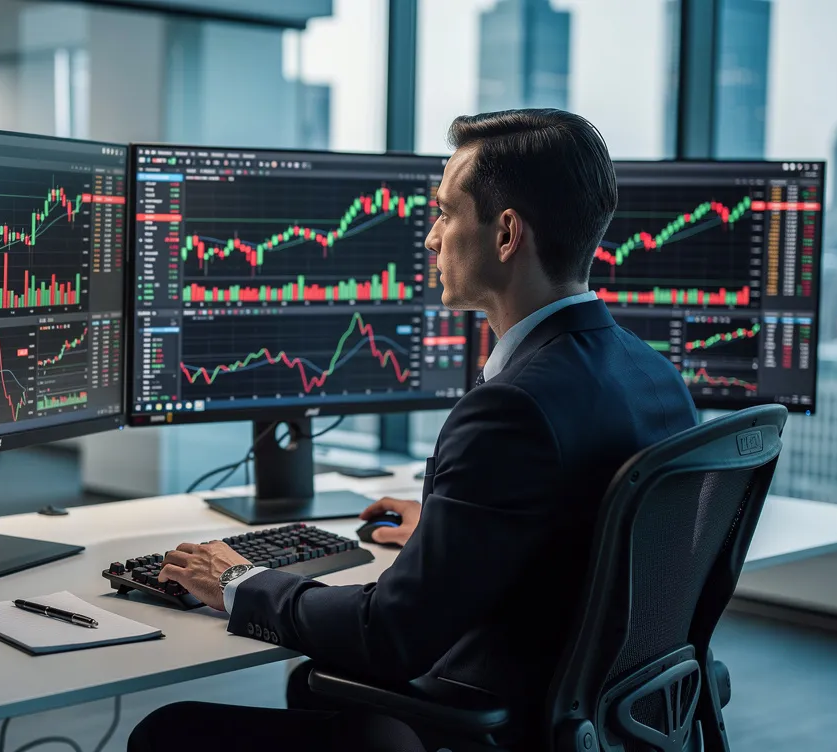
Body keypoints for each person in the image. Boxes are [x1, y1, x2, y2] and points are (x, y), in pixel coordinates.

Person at [129, 110, 700, 752]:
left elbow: (389, 635)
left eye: (445, 213)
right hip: (602, 721)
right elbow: (580, 529)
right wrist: (450, 526)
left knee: (167, 732)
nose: (430, 239)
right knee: (314, 687)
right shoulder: (654, 377)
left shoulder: (511, 408)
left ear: (506, 233)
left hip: (499, 721)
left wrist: (237, 583)